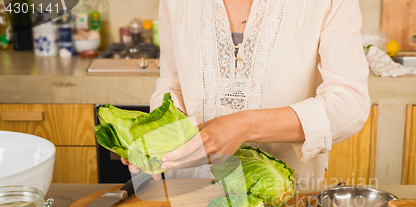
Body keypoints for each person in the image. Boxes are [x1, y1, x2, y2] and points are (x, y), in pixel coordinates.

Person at [124, 0, 370, 187]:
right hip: (190, 196)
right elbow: (171, 84)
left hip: (285, 200)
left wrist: (243, 126)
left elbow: (350, 103)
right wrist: (161, 132)